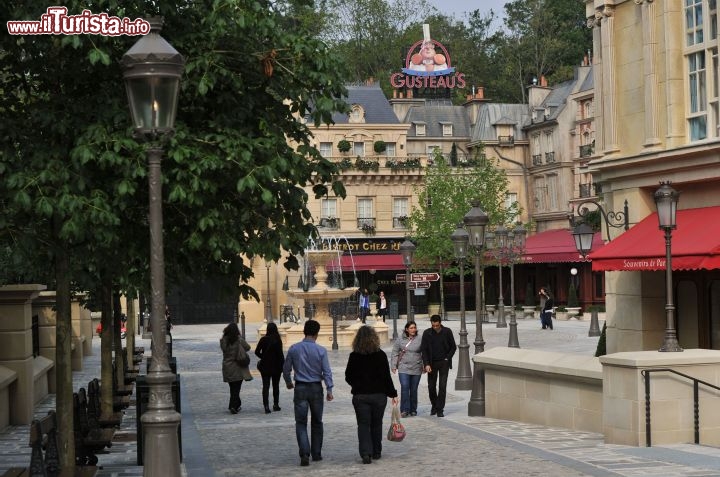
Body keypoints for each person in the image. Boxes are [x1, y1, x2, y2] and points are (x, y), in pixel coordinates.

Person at [283, 320, 334, 467]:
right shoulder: (321, 351)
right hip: (316, 388)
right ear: (317, 334)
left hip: (300, 388)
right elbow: (327, 372)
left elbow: (286, 369)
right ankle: (316, 453)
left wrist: (288, 382)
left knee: (301, 422)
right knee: (317, 422)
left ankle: (304, 453)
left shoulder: (294, 349)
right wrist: (329, 389)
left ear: (304, 331)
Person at [345, 326, 398, 464]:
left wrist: (356, 385)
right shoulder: (380, 355)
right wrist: (392, 393)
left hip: (360, 395)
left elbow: (348, 376)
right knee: (376, 424)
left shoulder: (354, 356)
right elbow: (386, 377)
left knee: (363, 425)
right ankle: (376, 451)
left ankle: (365, 453)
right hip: (379, 396)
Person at [420, 314, 456, 417]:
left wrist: (447, 358)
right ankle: (434, 405)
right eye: (433, 325)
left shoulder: (447, 331)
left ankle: (440, 409)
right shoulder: (427, 333)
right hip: (431, 363)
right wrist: (426, 364)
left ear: (440, 323)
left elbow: (453, 347)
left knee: (442, 386)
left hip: (444, 363)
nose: (435, 327)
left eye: (437, 325)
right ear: (431, 324)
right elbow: (424, 350)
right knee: (431, 386)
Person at [390, 320, 423, 417]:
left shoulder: (420, 338)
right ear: (406, 329)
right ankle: (404, 409)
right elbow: (395, 352)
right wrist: (393, 365)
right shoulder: (400, 339)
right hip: (403, 367)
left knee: (413, 389)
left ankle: (413, 409)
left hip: (416, 367)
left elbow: (425, 352)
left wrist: (425, 365)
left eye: (414, 328)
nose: (413, 330)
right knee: (405, 387)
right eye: (411, 328)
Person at [220, 322, 252, 414]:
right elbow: (248, 347)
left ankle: (235, 405)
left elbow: (224, 350)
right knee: (236, 388)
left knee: (232, 388)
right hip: (238, 366)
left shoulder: (223, 341)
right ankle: (233, 406)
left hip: (227, 366)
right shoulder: (239, 340)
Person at [255, 322, 285, 414]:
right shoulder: (277, 340)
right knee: (275, 386)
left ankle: (266, 406)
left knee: (266, 386)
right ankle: (276, 405)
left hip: (265, 366)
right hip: (276, 366)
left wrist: (263, 357)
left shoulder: (263, 339)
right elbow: (280, 355)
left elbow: (256, 352)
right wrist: (283, 365)